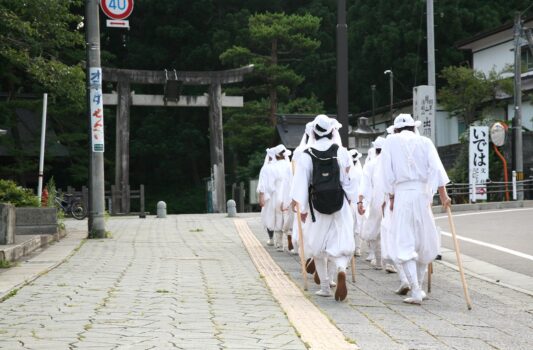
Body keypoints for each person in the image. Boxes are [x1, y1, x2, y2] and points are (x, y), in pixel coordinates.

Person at [380, 114, 451, 305]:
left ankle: (416, 290)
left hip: (403, 195)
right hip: (422, 195)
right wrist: (443, 196)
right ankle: (418, 287)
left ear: (396, 129)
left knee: (404, 241)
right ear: (413, 127)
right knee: (423, 241)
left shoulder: (390, 142)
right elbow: (436, 169)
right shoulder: (425, 141)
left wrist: (391, 196)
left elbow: (386, 173)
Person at [291, 114, 355, 301]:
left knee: (317, 245)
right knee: (340, 239)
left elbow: (301, 183)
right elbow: (347, 180)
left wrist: (301, 209)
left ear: (313, 132)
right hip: (338, 202)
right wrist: (352, 200)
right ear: (332, 131)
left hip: (316, 205)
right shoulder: (341, 151)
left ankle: (325, 286)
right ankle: (341, 269)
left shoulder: (306, 154)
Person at [358, 136, 386, 270]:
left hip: (376, 200)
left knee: (375, 229)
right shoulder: (391, 162)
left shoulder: (370, 164)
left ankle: (379, 260)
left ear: (375, 150)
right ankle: (390, 261)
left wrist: (361, 202)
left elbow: (365, 186)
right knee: (390, 229)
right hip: (391, 199)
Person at [257, 145, 292, 250]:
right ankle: (291, 242)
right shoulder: (290, 165)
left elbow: (263, 184)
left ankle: (279, 243)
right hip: (288, 194)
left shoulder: (269, 167)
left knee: (275, 217)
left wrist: (261, 196)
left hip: (274, 195)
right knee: (288, 217)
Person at [348, 149, 364, 257]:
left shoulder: (347, 171)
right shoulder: (360, 172)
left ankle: (350, 247)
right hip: (358, 201)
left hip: (349, 201)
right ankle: (357, 249)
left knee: (349, 225)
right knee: (358, 225)